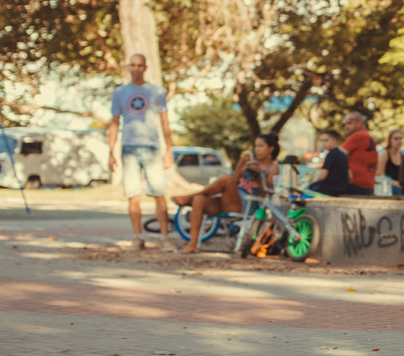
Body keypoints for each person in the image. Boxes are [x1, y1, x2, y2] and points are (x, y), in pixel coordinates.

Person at [108, 54, 175, 250]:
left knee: (159, 193)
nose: (136, 69)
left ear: (145, 67)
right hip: (128, 147)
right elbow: (114, 123)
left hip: (152, 148)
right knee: (133, 194)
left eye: (140, 65)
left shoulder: (156, 92)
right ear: (128, 67)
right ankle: (137, 237)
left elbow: (164, 122)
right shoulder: (120, 92)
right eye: (133, 65)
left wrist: (168, 150)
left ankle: (165, 239)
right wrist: (111, 151)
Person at [173, 134, 280, 253]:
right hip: (230, 200)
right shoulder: (250, 163)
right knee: (199, 199)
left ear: (271, 149)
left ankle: (189, 197)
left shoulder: (273, 168)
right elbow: (234, 181)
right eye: (256, 146)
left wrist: (259, 175)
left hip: (246, 206)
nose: (257, 149)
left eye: (261, 146)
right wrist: (241, 164)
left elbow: (267, 193)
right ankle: (192, 244)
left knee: (226, 179)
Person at [341, 111, 377, 195]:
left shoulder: (358, 135)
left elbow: (337, 155)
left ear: (359, 122)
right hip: (366, 185)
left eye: (349, 123)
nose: (346, 126)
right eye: (345, 124)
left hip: (356, 184)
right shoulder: (366, 135)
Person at [309, 129, 350, 197]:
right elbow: (350, 176)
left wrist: (313, 182)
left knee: (310, 187)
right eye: (322, 141)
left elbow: (322, 177)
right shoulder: (342, 154)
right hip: (341, 189)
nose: (323, 143)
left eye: (326, 140)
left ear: (335, 140)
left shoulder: (331, 154)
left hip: (329, 190)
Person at [377, 128, 404, 194]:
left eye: (400, 138)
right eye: (395, 139)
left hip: (400, 185)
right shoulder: (384, 154)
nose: (399, 141)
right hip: (386, 186)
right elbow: (379, 175)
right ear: (389, 140)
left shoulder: (402, 155)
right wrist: (397, 184)